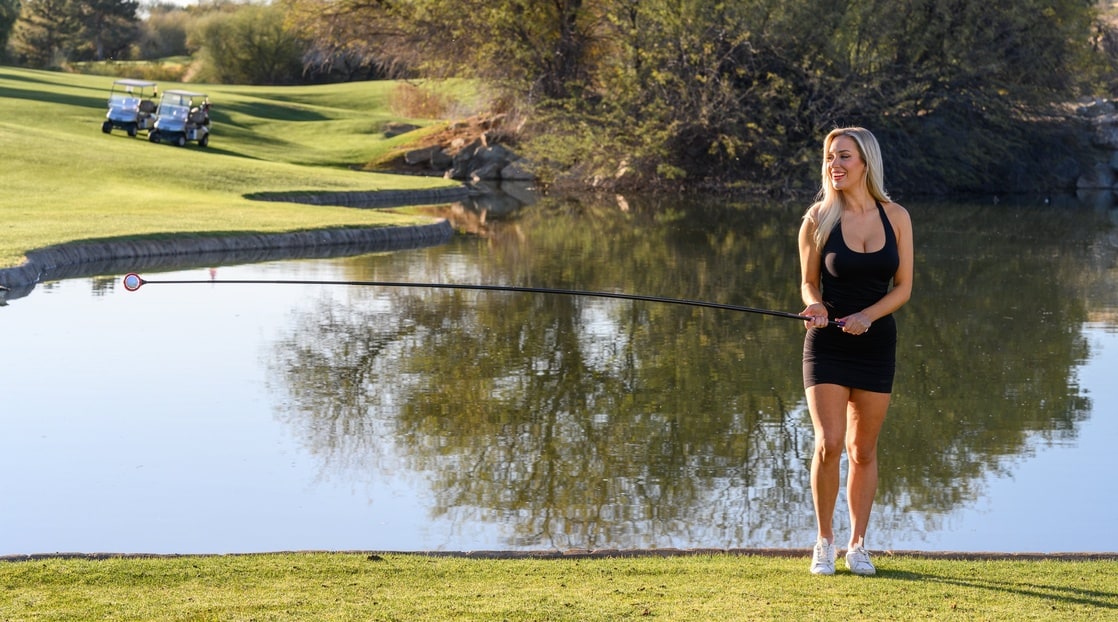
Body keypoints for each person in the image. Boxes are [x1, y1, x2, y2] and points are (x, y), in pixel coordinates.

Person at [797, 127, 913, 576]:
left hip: (876, 344)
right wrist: (816, 303)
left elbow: (903, 288)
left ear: (866, 162)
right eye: (829, 157)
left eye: (843, 156)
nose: (834, 165)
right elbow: (809, 280)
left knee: (863, 450)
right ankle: (824, 541)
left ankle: (857, 545)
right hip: (826, 342)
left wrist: (868, 316)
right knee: (829, 444)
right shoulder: (817, 218)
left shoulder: (897, 216)